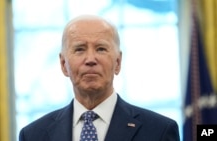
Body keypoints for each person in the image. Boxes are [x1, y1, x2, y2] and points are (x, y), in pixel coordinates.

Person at [19, 15, 180, 141]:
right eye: (80, 49)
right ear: (63, 65)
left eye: (101, 49)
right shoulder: (33, 135)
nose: (90, 59)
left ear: (118, 62)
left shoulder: (159, 131)